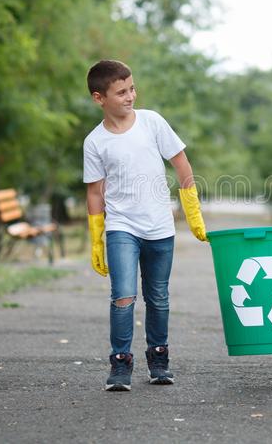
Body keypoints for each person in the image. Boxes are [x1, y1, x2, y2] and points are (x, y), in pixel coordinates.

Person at [83, 60, 208, 391]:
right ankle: (120, 363)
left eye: (132, 88)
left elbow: (181, 163)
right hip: (122, 226)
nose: (130, 96)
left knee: (158, 298)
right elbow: (95, 192)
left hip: (159, 227)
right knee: (123, 296)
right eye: (121, 92)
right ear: (99, 98)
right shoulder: (95, 142)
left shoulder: (152, 122)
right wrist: (97, 239)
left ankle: (158, 358)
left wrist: (192, 212)